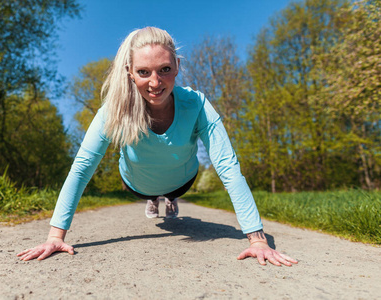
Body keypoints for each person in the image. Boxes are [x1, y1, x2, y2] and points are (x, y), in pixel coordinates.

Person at [17, 27, 297, 267]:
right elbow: (82, 168)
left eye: (165, 70)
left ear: (177, 66)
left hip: (182, 181)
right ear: (129, 73)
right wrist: (55, 237)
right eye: (143, 72)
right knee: (149, 194)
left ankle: (168, 199)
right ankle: (153, 199)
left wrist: (258, 239)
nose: (155, 82)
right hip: (137, 184)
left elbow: (227, 165)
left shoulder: (197, 104)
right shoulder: (112, 111)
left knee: (172, 193)